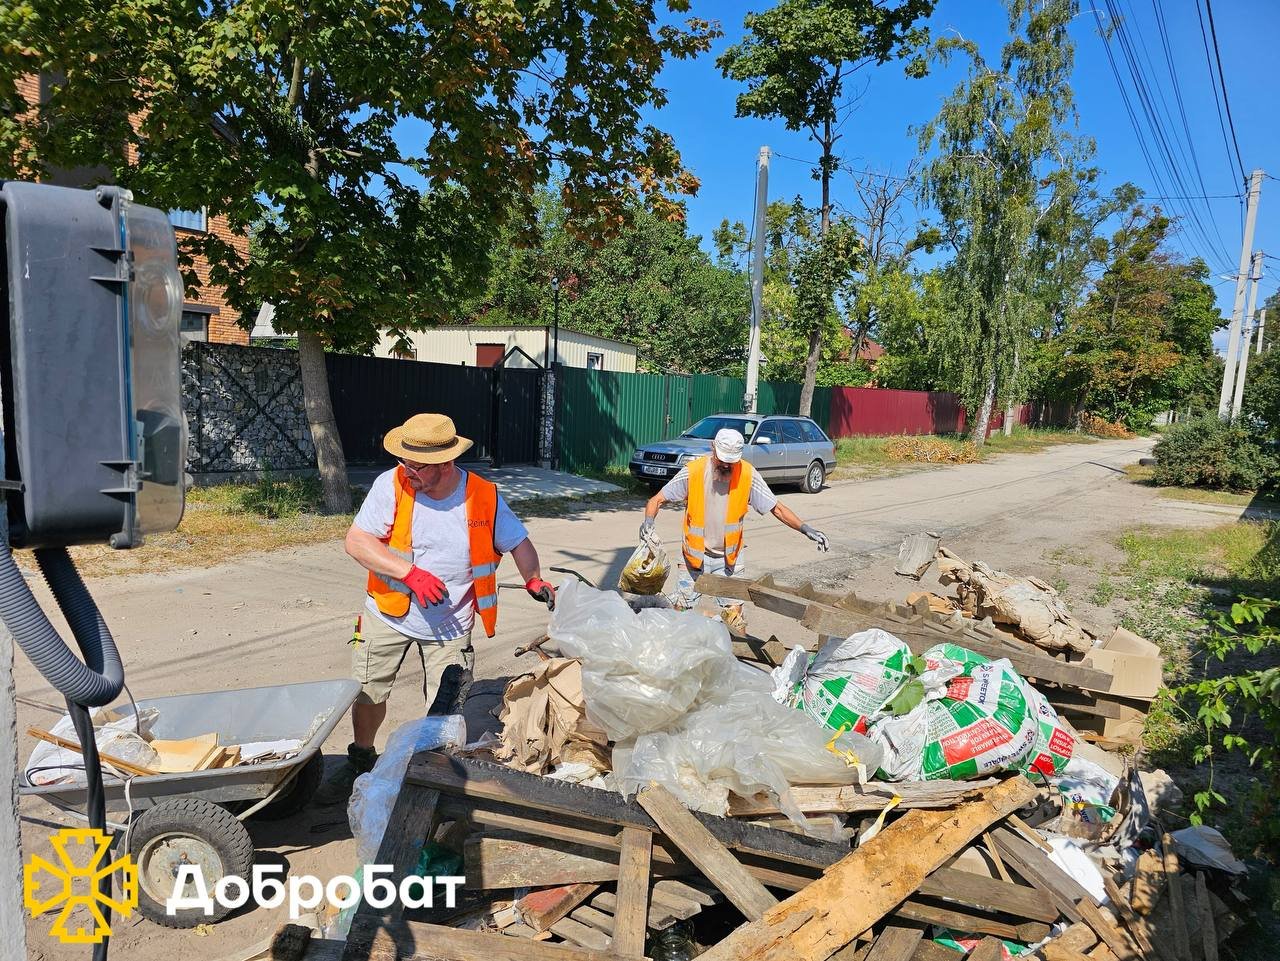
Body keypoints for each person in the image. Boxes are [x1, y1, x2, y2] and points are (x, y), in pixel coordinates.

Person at [317, 413, 556, 803]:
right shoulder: (391, 485)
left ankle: (432, 777)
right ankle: (361, 758)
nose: (406, 471)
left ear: (444, 463)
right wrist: (410, 574)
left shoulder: (483, 495)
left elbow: (519, 541)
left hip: (451, 622)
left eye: (415, 465)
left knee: (445, 707)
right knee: (369, 690)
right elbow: (357, 542)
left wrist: (533, 578)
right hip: (388, 612)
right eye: (403, 461)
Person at [640, 428, 829, 625]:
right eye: (722, 459)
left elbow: (777, 508)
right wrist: (649, 521)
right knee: (680, 613)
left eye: (731, 461)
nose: (726, 465)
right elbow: (658, 499)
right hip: (693, 559)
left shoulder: (747, 474)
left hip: (729, 560)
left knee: (735, 619)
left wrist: (805, 528)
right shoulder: (693, 471)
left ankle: (732, 655)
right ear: (713, 448)